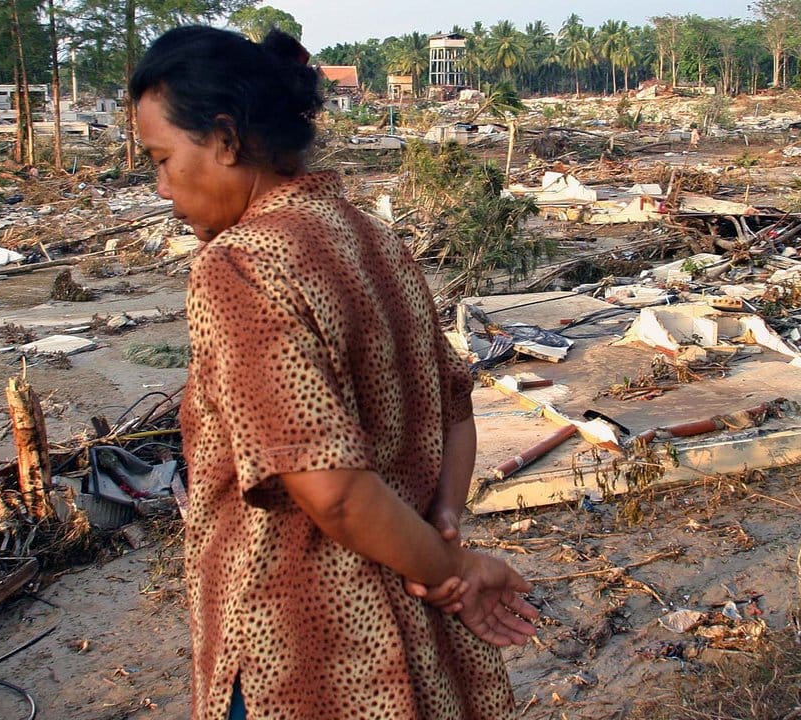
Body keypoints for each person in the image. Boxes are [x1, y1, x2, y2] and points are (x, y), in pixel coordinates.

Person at [130, 26, 539, 720]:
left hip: (299, 652)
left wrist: (453, 571)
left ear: (226, 140)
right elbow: (456, 409)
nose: (163, 187)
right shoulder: (370, 239)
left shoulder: (240, 267)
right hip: (413, 631)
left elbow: (337, 493)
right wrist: (442, 520)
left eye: (163, 159)